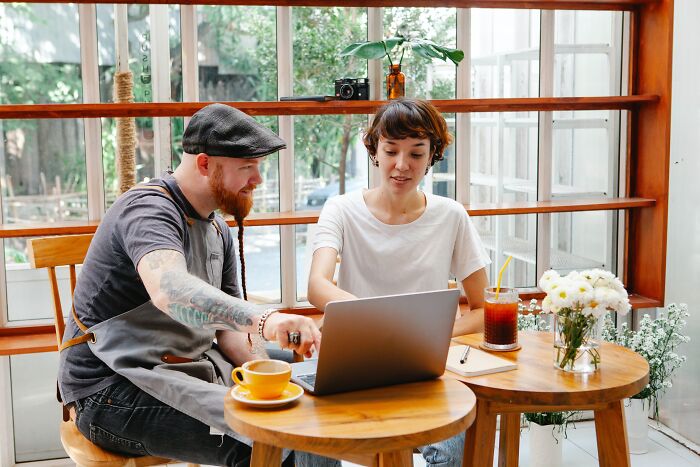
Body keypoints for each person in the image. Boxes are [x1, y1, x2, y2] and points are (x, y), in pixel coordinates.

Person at [58, 103, 336, 466]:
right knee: (267, 442)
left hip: (188, 364)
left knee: (320, 392)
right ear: (205, 164)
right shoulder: (147, 210)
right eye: (247, 167)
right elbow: (170, 291)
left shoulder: (217, 227)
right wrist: (267, 319)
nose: (258, 180)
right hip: (109, 389)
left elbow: (231, 333)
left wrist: (264, 373)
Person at [307, 98, 491, 466]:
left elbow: (484, 309)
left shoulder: (450, 215)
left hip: (424, 370)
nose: (402, 165)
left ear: (432, 155)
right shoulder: (341, 209)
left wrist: (424, 339)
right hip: (354, 361)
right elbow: (316, 286)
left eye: (416, 154)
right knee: (311, 442)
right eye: (391, 151)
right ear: (374, 150)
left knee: (454, 448)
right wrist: (384, 323)